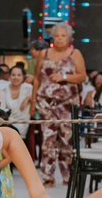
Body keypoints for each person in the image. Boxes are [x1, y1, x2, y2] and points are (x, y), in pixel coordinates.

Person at [35, 23, 87, 186]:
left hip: (67, 102)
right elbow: (37, 77)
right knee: (48, 140)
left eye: (63, 36)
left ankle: (68, 177)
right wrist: (32, 100)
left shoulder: (74, 53)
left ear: (69, 38)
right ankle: (48, 177)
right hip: (45, 102)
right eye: (57, 35)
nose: (59, 38)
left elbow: (82, 76)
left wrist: (64, 76)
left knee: (67, 139)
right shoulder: (44, 53)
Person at [0, 63, 34, 138]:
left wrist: (28, 98)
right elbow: (2, 109)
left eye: (19, 75)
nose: (16, 77)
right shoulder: (3, 89)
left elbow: (38, 95)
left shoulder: (28, 88)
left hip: (23, 123)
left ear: (23, 77)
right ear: (9, 76)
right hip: (8, 123)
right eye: (13, 75)